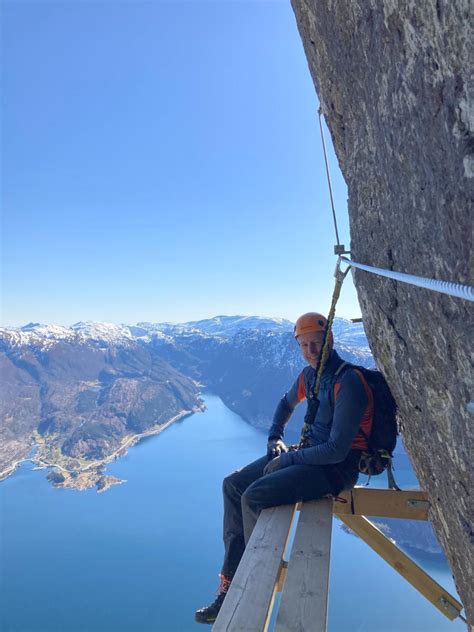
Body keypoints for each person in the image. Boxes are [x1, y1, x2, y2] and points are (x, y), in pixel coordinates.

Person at [194, 312, 373, 625]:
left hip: (334, 469)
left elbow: (335, 450)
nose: (310, 352)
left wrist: (287, 458)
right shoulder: (309, 377)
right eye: (303, 345)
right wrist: (276, 437)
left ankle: (252, 577)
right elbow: (285, 403)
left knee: (252, 497)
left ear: (329, 340)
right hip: (306, 456)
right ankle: (229, 583)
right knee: (232, 485)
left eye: (315, 344)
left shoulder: (349, 382)